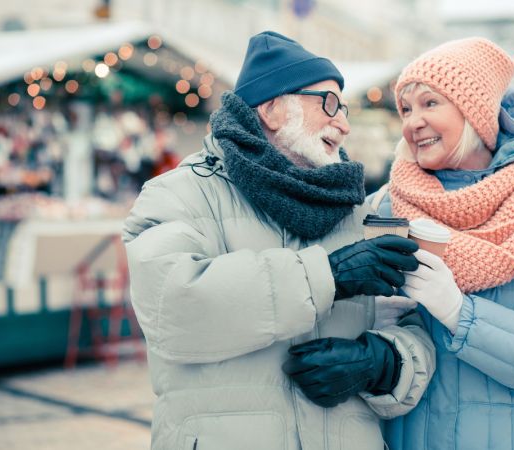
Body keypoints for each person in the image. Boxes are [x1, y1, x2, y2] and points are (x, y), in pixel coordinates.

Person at [122, 31, 435, 450]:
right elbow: (173, 309)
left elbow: (413, 324)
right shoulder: (179, 195)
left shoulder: (363, 211)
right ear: (271, 109)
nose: (343, 124)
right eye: (328, 104)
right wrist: (327, 276)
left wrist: (380, 363)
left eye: (344, 109)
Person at [365, 37, 514, 449]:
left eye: (430, 103)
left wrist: (459, 312)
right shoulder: (384, 209)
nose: (412, 122)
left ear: (475, 112)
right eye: (406, 108)